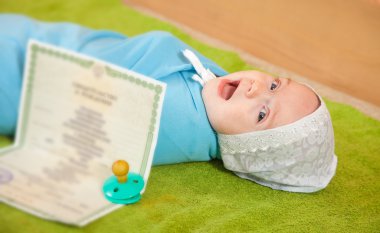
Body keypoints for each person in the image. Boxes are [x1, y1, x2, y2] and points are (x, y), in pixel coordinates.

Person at [0, 14, 337, 193]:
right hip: (44, 40)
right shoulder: (216, 93)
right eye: (275, 84)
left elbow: (83, 131)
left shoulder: (170, 123)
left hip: (17, 71)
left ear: (246, 148)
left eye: (262, 113)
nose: (255, 88)